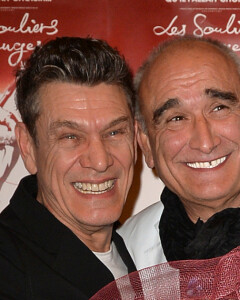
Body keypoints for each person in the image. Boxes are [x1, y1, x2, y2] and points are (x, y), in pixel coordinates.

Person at [118, 36, 240, 275]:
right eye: (176, 118)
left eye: (219, 108)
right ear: (146, 144)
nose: (205, 143)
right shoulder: (124, 256)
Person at [0, 37, 137, 299]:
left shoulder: (140, 253)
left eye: (114, 132)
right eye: (70, 137)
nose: (100, 161)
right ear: (28, 146)